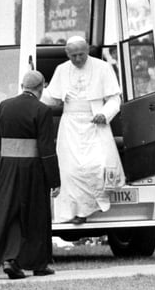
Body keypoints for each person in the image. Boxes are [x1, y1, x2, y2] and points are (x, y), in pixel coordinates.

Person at [0, 71, 60, 279]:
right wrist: (54, 179)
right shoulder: (43, 110)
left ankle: (10, 259)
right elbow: (46, 148)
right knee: (36, 216)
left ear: (21, 85)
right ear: (41, 87)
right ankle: (39, 263)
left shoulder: (5, 106)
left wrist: (6, 160)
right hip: (32, 169)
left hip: (7, 166)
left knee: (9, 214)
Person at [42, 36, 125, 224]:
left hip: (95, 122)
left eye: (81, 54)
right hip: (70, 125)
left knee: (97, 166)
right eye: (73, 56)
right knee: (70, 170)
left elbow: (114, 99)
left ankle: (90, 207)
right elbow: (53, 98)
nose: (78, 59)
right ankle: (75, 211)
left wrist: (105, 114)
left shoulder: (103, 67)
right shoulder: (62, 70)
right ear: (67, 54)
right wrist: (33, 95)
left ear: (87, 50)